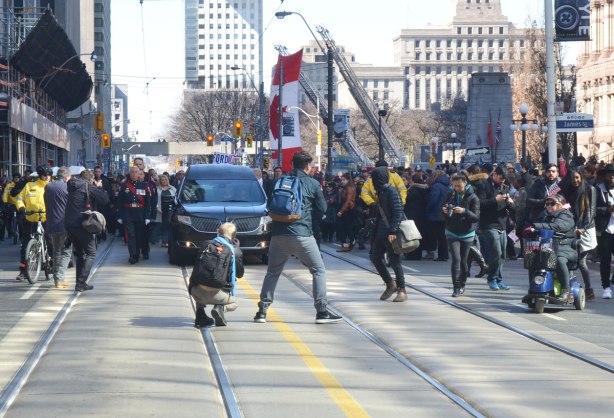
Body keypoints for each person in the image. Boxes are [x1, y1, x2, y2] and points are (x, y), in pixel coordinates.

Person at [254, 151, 341, 324]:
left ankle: (262, 311)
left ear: (292, 164)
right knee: (318, 270)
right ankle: (322, 311)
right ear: (308, 166)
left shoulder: (279, 181)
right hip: (302, 234)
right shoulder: (312, 183)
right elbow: (322, 208)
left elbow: (271, 204)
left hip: (278, 235)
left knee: (272, 272)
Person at [189, 223, 244, 327]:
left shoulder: (206, 245)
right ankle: (220, 308)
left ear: (218, 233)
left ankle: (200, 314)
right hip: (218, 295)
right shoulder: (234, 251)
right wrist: (238, 250)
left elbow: (196, 271)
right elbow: (240, 274)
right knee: (235, 303)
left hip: (197, 294)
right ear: (234, 237)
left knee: (202, 279)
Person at [66, 169, 109, 292]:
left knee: (80, 253)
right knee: (91, 253)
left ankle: (79, 282)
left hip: (69, 223)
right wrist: (99, 188)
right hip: (82, 224)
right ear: (90, 179)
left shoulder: (71, 185)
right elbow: (104, 200)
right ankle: (81, 282)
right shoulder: (87, 186)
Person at [369, 166, 407, 302]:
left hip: (390, 232)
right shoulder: (380, 192)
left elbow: (398, 211)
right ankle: (390, 283)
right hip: (380, 232)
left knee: (395, 261)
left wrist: (393, 231)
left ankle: (402, 289)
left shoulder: (391, 191)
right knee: (375, 257)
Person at [530, 195, 577, 301]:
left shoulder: (566, 215)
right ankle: (533, 287)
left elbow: (559, 226)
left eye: (552, 204)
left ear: (560, 205)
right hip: (548, 247)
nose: (549, 206)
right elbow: (534, 225)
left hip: (565, 247)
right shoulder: (544, 215)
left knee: (559, 260)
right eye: (547, 204)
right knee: (533, 259)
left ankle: (566, 290)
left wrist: (537, 226)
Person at [475, 165, 515, 291]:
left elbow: (511, 209)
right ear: (495, 174)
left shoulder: (505, 187)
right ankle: (491, 278)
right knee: (496, 252)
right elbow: (480, 204)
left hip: (502, 223)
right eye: (501, 178)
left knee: (502, 254)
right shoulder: (483, 185)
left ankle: (498, 279)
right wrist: (495, 200)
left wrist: (510, 204)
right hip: (489, 224)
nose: (502, 181)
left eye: (504, 179)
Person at [561, 167, 597, 299]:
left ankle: (588, 288)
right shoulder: (568, 189)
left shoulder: (590, 189)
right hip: (571, 228)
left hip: (585, 229)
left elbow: (591, 212)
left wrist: (582, 228)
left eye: (577, 177)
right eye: (572, 178)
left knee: (581, 261)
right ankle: (569, 287)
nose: (575, 180)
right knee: (568, 258)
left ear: (581, 177)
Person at [442, 173, 480, 297]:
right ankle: (456, 287)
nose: (457, 188)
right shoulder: (450, 194)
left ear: (466, 183)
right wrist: (445, 211)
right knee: (456, 260)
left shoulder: (473, 197)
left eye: (459, 186)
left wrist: (464, 211)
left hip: (467, 233)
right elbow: (442, 212)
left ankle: (463, 283)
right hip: (451, 231)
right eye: (454, 186)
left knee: (464, 261)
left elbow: (476, 217)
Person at [14, 166, 51, 282]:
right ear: (40, 175)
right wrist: (21, 207)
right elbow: (19, 198)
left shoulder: (51, 186)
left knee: (50, 242)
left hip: (46, 219)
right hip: (30, 218)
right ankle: (23, 271)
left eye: (49, 175)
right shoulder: (30, 186)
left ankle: (51, 263)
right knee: (25, 246)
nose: (47, 177)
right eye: (45, 175)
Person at [43, 167, 72, 288]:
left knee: (56, 251)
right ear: (66, 177)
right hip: (64, 223)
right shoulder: (67, 187)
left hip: (51, 223)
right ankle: (59, 278)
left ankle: (57, 279)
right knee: (66, 251)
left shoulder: (48, 186)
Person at [117, 166, 152, 264]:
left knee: (139, 236)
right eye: (132, 172)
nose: (133, 174)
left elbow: (148, 202)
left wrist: (147, 216)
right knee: (131, 235)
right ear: (129, 173)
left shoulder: (144, 185)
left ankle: (138, 252)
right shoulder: (124, 185)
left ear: (138, 173)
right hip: (128, 213)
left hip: (140, 213)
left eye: (135, 172)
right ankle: (133, 255)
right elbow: (120, 202)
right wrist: (119, 215)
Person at [594, 163, 614, 299]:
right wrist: (608, 210)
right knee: (605, 260)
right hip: (605, 230)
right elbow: (593, 210)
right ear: (605, 176)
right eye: (609, 175)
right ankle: (606, 286)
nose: (612, 177)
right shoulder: (598, 190)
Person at [336, 172, 357, 252]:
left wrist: (341, 211)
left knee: (345, 227)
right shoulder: (344, 187)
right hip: (344, 209)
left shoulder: (349, 188)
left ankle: (351, 240)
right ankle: (345, 244)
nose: (342, 181)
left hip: (346, 210)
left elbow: (348, 201)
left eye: (343, 180)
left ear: (348, 180)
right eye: (341, 180)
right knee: (342, 228)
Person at [157, 174, 176, 247]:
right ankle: (164, 241)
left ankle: (168, 241)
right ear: (160, 181)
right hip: (161, 209)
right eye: (162, 180)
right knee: (163, 226)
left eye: (165, 180)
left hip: (170, 210)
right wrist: (158, 208)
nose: (164, 181)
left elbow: (175, 198)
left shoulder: (172, 189)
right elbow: (155, 200)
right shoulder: (158, 189)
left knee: (169, 226)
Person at [2, 172, 21, 240]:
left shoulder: (22, 185)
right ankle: (11, 232)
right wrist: (5, 202)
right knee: (9, 220)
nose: (16, 179)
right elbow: (5, 194)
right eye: (15, 178)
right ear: (13, 178)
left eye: (17, 178)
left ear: (19, 178)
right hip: (11, 205)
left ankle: (21, 235)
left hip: (20, 206)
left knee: (20, 221)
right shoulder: (9, 186)